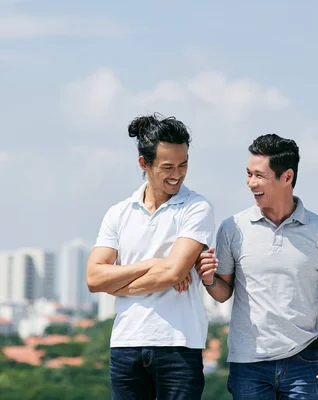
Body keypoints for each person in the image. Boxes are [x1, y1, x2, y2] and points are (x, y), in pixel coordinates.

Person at [196, 134, 318, 399]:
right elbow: (223, 293)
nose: (251, 183)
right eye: (248, 174)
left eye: (259, 176)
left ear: (287, 176)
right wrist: (209, 279)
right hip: (249, 363)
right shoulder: (232, 228)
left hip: (303, 364)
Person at [86, 113, 215, 400]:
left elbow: (173, 274)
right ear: (144, 164)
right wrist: (153, 264)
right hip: (125, 342)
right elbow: (94, 279)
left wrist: (117, 283)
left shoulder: (196, 208)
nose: (177, 174)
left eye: (183, 165)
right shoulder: (118, 213)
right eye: (167, 166)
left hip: (179, 344)